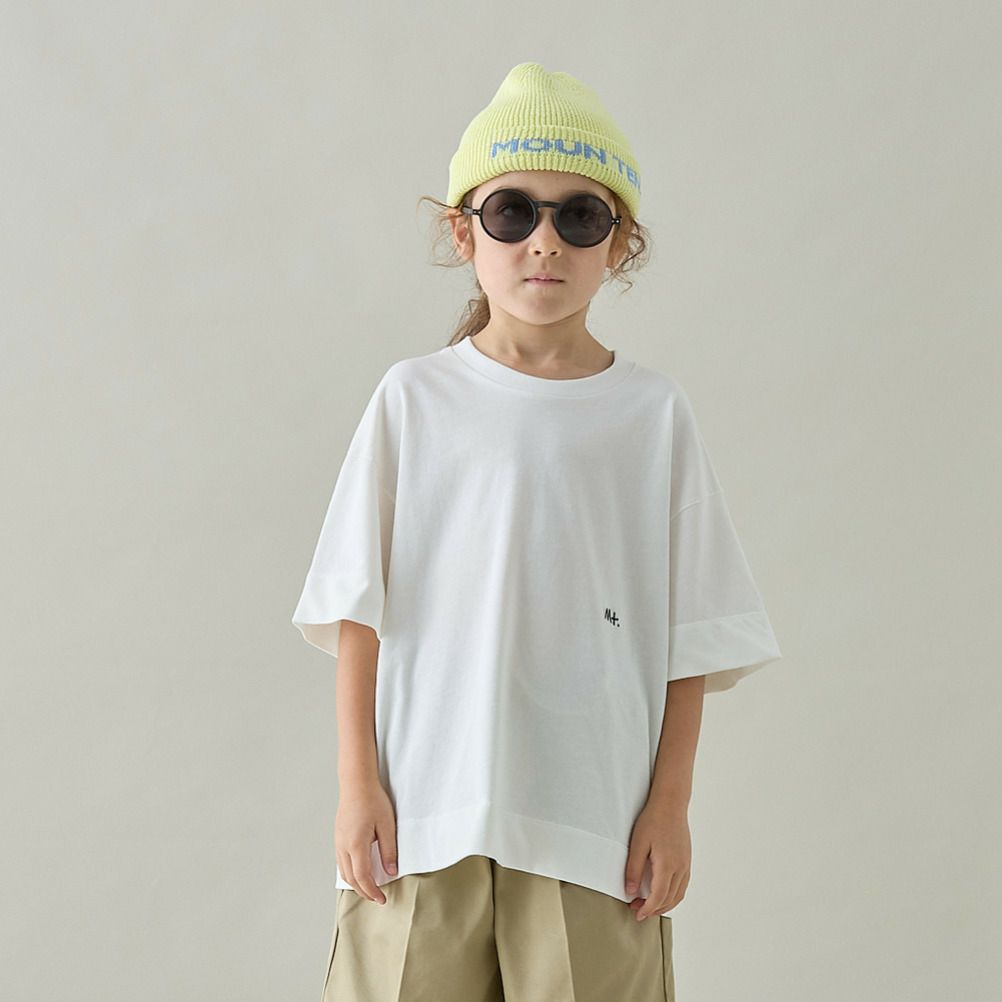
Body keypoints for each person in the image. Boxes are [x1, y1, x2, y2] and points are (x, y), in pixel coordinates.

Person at [292, 61, 783, 1002]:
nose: (544, 242)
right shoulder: (414, 400)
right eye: (512, 212)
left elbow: (693, 634)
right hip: (424, 815)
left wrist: (669, 806)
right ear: (463, 231)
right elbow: (357, 607)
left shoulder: (650, 415)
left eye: (580, 217)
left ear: (619, 241)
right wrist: (358, 788)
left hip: (590, 824)